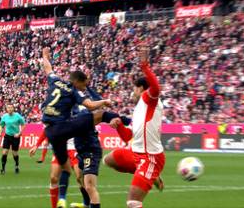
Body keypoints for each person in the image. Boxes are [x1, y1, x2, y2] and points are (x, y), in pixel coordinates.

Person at [40, 47, 130, 208]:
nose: (84, 88)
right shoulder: (74, 90)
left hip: (51, 132)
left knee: (66, 171)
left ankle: (60, 203)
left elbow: (48, 67)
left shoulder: (55, 80)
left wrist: (45, 55)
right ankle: (121, 122)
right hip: (62, 128)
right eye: (84, 85)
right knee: (100, 114)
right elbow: (89, 105)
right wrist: (103, 101)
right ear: (77, 82)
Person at [107, 45, 165, 208]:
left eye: (133, 88)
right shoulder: (139, 108)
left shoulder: (149, 98)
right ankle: (150, 175)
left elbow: (156, 87)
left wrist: (144, 66)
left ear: (140, 89)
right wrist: (118, 126)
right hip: (136, 154)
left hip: (150, 157)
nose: (131, 92)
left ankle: (150, 173)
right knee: (108, 160)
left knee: (133, 202)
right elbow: (128, 137)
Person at [30, 135, 85, 208]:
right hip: (60, 149)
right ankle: (57, 204)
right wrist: (36, 145)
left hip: (75, 149)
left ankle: (86, 203)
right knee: (53, 178)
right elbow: (46, 131)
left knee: (80, 178)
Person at [0, 104, 26, 175]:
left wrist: (19, 133)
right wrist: (0, 133)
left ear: (13, 108)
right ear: (6, 109)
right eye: (8, 107)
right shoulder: (4, 116)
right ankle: (3, 168)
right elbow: (2, 125)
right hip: (7, 136)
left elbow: (23, 124)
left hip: (15, 137)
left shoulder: (17, 116)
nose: (9, 109)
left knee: (15, 153)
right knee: (4, 152)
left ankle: (16, 165)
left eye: (11, 107)